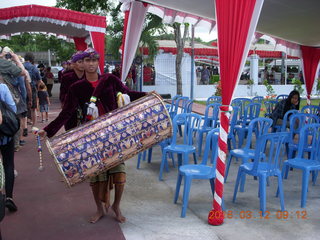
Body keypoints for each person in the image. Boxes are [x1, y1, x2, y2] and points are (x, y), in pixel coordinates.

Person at [38, 48, 146, 224]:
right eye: (87, 60)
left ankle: (116, 206)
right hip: (91, 138)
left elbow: (129, 94)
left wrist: (149, 95)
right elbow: (66, 113)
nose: (90, 64)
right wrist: (48, 130)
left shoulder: (110, 80)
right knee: (96, 178)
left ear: (98, 63)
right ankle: (99, 209)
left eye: (94, 60)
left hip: (113, 135)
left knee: (119, 176)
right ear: (82, 63)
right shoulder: (76, 88)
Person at [0, 83, 18, 212]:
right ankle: (9, 197)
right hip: (5, 134)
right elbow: (13, 108)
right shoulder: (2, 87)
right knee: (8, 164)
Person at [59, 51, 85, 131]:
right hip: (71, 110)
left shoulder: (90, 75)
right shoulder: (66, 77)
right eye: (79, 62)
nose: (82, 64)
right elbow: (62, 94)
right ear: (73, 64)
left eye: (84, 61)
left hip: (87, 109)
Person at [24, 52, 41, 130]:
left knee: (24, 107)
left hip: (22, 88)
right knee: (33, 108)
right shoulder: (34, 68)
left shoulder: (21, 66)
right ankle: (33, 126)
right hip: (32, 87)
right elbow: (39, 80)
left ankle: (24, 126)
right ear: (32, 59)